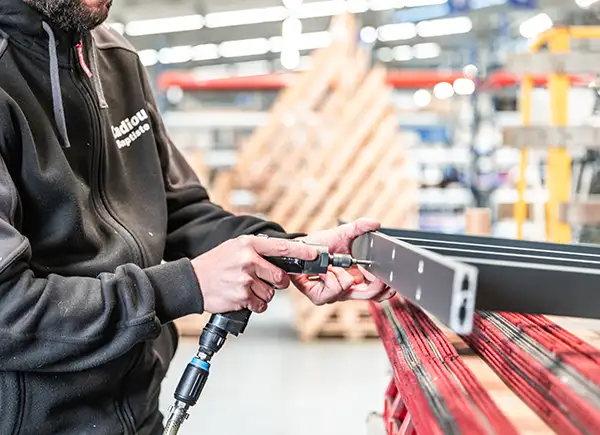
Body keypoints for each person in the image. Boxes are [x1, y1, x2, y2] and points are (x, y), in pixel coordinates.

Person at [0, 0, 393, 434]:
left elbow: (178, 209)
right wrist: (185, 287)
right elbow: (7, 311)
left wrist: (296, 250)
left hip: (136, 411)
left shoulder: (116, 61)